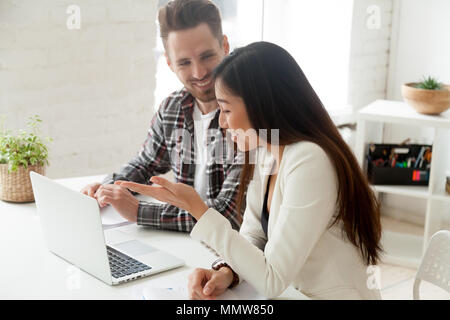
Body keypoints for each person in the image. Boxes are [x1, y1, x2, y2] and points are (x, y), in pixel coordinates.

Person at [115, 42, 383, 300]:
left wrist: (197, 209)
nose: (221, 121)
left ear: (261, 105)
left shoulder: (309, 161)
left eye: (226, 109)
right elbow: (255, 236)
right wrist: (227, 271)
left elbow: (272, 279)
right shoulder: (267, 151)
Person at [81, 0, 244, 232]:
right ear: (169, 63)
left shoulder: (248, 115)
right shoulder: (173, 108)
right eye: (184, 62)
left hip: (227, 252)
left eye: (207, 56)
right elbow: (146, 163)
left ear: (225, 46)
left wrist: (139, 212)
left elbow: (228, 214)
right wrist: (108, 189)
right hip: (181, 242)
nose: (199, 72)